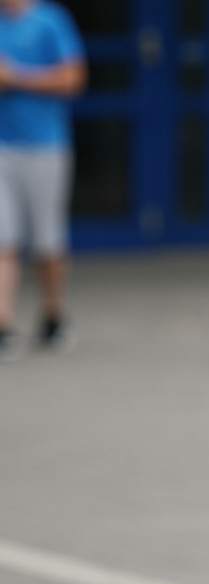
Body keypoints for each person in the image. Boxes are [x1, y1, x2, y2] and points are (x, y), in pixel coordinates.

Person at [0, 0, 83, 362]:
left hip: (46, 146)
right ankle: (3, 325)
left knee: (47, 241)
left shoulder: (51, 21)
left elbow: (73, 78)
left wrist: (15, 77)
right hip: (2, 147)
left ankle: (52, 315)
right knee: (4, 239)